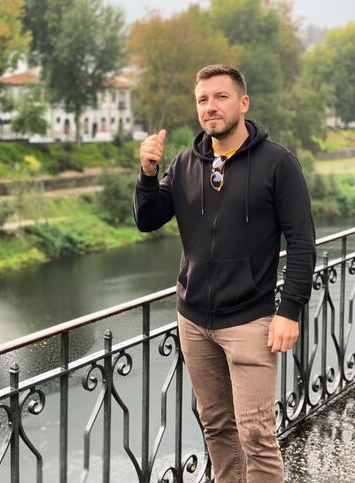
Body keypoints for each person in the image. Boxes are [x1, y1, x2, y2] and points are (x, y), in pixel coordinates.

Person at [133, 64, 316, 482]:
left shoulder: (278, 163)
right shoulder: (185, 163)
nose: (210, 107)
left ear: (243, 103)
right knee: (216, 427)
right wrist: (147, 174)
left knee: (256, 434)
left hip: (250, 320)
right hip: (194, 321)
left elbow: (302, 241)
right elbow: (148, 219)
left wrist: (289, 311)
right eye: (202, 100)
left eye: (220, 97)